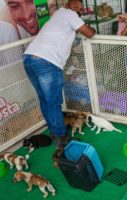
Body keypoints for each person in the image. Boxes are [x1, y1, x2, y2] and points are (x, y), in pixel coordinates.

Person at [22, 0, 96, 148]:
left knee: (45, 99)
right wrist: (88, 26)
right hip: (47, 61)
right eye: (76, 6)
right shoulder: (69, 14)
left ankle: (54, 131)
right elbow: (89, 33)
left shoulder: (59, 14)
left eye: (81, 9)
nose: (78, 10)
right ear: (68, 5)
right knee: (54, 103)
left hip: (29, 58)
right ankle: (61, 138)